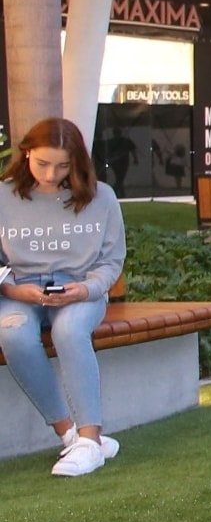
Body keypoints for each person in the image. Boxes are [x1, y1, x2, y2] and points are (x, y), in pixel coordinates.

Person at [0, 118, 128, 476]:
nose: (51, 174)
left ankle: (90, 440)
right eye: (42, 163)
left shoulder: (102, 197)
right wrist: (12, 289)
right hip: (20, 290)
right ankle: (71, 435)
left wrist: (86, 289)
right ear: (26, 153)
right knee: (12, 333)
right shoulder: (3, 196)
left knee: (70, 331)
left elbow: (111, 260)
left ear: (77, 162)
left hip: (80, 290)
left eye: (62, 166)